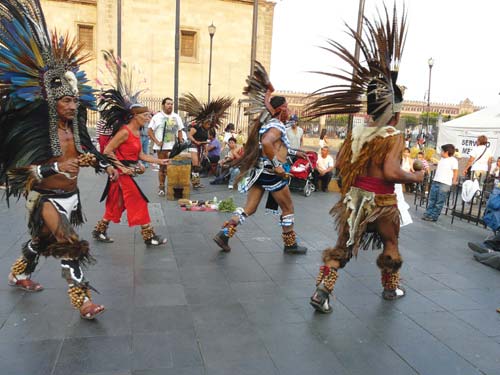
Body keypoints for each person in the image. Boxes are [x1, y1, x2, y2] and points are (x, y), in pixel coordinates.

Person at [306, 4, 424, 313]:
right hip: (382, 204)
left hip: (354, 201)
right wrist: (414, 176)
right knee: (391, 244)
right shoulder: (392, 135)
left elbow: (343, 168)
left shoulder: (355, 135)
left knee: (342, 247)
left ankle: (322, 291)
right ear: (393, 112)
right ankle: (390, 289)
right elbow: (391, 172)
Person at [0, 3, 113, 319]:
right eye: (66, 99)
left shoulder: (76, 128)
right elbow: (23, 172)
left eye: (75, 99)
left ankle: (18, 273)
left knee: (40, 240)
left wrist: (106, 165)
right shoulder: (38, 130)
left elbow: (87, 155)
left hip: (70, 198)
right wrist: (56, 167)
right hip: (44, 197)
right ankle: (83, 301)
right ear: (52, 101)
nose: (72, 104)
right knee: (69, 242)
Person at [213, 62, 308, 255]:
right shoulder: (278, 126)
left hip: (260, 172)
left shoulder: (268, 123)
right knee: (288, 207)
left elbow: (275, 146)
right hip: (272, 174)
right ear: (281, 109)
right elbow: (266, 143)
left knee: (249, 208)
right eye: (287, 107)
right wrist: (278, 166)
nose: (290, 111)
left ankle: (224, 233)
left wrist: (294, 152)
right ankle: (290, 244)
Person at [92, 51, 169, 246]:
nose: (147, 118)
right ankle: (149, 236)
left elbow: (141, 154)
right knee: (139, 202)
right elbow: (107, 150)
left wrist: (159, 161)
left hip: (126, 172)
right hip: (121, 173)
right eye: (145, 116)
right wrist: (121, 167)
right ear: (135, 116)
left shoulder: (136, 134)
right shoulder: (125, 132)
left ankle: (99, 230)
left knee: (115, 204)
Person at [179, 93, 233, 189]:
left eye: (210, 124)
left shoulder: (206, 130)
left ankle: (195, 182)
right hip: (193, 146)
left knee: (198, 166)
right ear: (204, 122)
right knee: (195, 165)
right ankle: (194, 182)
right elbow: (189, 135)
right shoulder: (196, 127)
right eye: (208, 124)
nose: (209, 125)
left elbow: (205, 140)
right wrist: (195, 141)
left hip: (200, 147)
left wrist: (205, 149)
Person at [148, 97, 184, 196]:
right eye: (168, 104)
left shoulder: (176, 117)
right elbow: (149, 131)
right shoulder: (157, 117)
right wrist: (156, 141)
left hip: (173, 148)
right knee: (162, 168)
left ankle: (172, 187)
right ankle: (161, 187)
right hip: (162, 148)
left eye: (171, 104)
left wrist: (180, 142)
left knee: (173, 168)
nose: (170, 106)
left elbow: (180, 130)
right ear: (163, 105)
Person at [422, 144, 458, 222]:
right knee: (432, 199)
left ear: (446, 152)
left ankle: (433, 216)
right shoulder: (442, 159)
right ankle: (428, 214)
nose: (440, 152)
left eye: (442, 151)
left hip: (445, 183)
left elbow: (455, 171)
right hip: (436, 181)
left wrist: (454, 181)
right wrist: (435, 164)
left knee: (439, 201)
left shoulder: (453, 160)